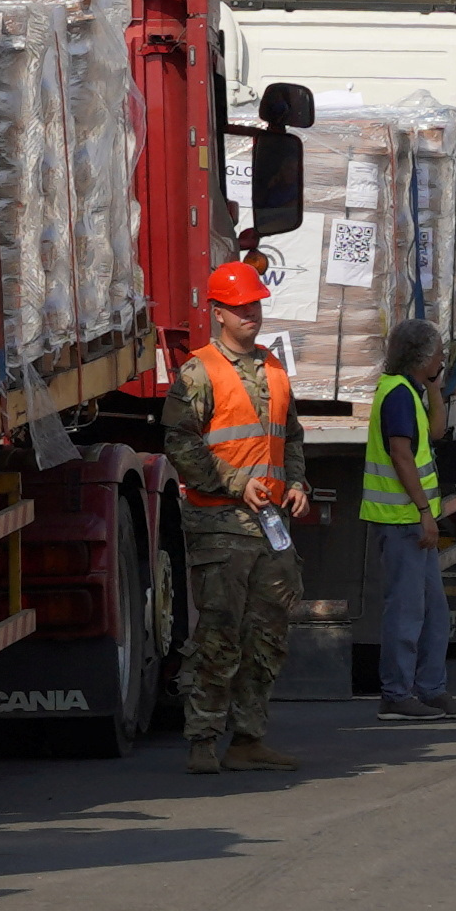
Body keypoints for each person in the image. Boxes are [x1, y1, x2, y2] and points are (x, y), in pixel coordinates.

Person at [164, 260, 312, 775]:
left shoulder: (273, 368)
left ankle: (249, 738)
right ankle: (203, 738)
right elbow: (180, 442)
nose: (251, 313)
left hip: (271, 524)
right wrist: (232, 482)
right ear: (219, 312)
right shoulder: (199, 371)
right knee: (219, 632)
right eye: (241, 307)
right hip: (219, 523)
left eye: (255, 304)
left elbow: (290, 436)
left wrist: (296, 483)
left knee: (268, 632)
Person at [364, 317, 456, 722]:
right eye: (439, 354)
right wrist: (425, 513)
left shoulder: (412, 391)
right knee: (406, 610)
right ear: (423, 356)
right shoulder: (396, 395)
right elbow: (401, 454)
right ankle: (396, 693)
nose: (443, 359)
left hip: (412, 517)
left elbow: (438, 431)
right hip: (402, 519)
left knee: (433, 610)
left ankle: (430, 689)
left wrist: (436, 389)